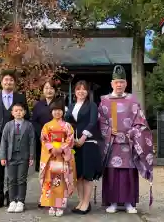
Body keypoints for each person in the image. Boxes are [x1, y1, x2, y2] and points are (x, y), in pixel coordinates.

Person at [98, 65, 153, 214]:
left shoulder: (133, 101)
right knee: (113, 173)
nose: (119, 85)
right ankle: (113, 202)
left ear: (126, 83)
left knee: (128, 173)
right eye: (116, 82)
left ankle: (129, 203)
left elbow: (140, 121)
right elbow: (101, 122)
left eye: (122, 82)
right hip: (112, 144)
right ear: (112, 84)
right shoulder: (105, 101)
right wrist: (110, 131)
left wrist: (132, 133)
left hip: (129, 143)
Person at [0, 70, 30, 209]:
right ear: (1, 81)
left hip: (15, 140)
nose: (8, 82)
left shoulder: (20, 98)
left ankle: (11, 196)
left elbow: (27, 118)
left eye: (11, 80)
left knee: (14, 170)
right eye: (6, 80)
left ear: (14, 83)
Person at [65, 80, 103, 215]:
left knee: (87, 175)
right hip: (74, 145)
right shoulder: (71, 106)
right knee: (78, 175)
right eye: (78, 89)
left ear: (87, 92)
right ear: (75, 91)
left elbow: (93, 122)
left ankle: (86, 203)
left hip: (87, 143)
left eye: (84, 89)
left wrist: (83, 137)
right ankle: (81, 201)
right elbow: (67, 124)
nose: (81, 91)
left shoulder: (92, 105)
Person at [39, 99, 76, 217]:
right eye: (54, 110)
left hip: (61, 157)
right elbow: (44, 139)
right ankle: (51, 204)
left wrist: (61, 149)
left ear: (63, 112)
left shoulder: (67, 126)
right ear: (51, 112)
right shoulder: (47, 126)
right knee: (49, 180)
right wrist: (51, 148)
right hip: (51, 157)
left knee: (59, 181)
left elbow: (70, 139)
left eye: (59, 110)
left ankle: (59, 205)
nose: (57, 112)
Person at [0, 103, 35, 213]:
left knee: (21, 179)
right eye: (16, 110)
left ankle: (20, 201)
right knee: (11, 179)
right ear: (12, 113)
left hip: (23, 157)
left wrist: (31, 156)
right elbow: (3, 142)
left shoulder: (28, 125)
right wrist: (2, 156)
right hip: (10, 157)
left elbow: (32, 142)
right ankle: (12, 201)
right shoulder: (8, 125)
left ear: (24, 112)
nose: (18, 112)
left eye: (20, 110)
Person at [31, 79, 58, 172]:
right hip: (42, 139)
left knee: (56, 168)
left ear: (55, 90)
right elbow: (33, 121)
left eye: (51, 88)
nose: (49, 90)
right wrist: (42, 133)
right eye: (46, 88)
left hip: (57, 139)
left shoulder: (60, 103)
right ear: (43, 90)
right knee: (43, 169)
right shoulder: (38, 105)